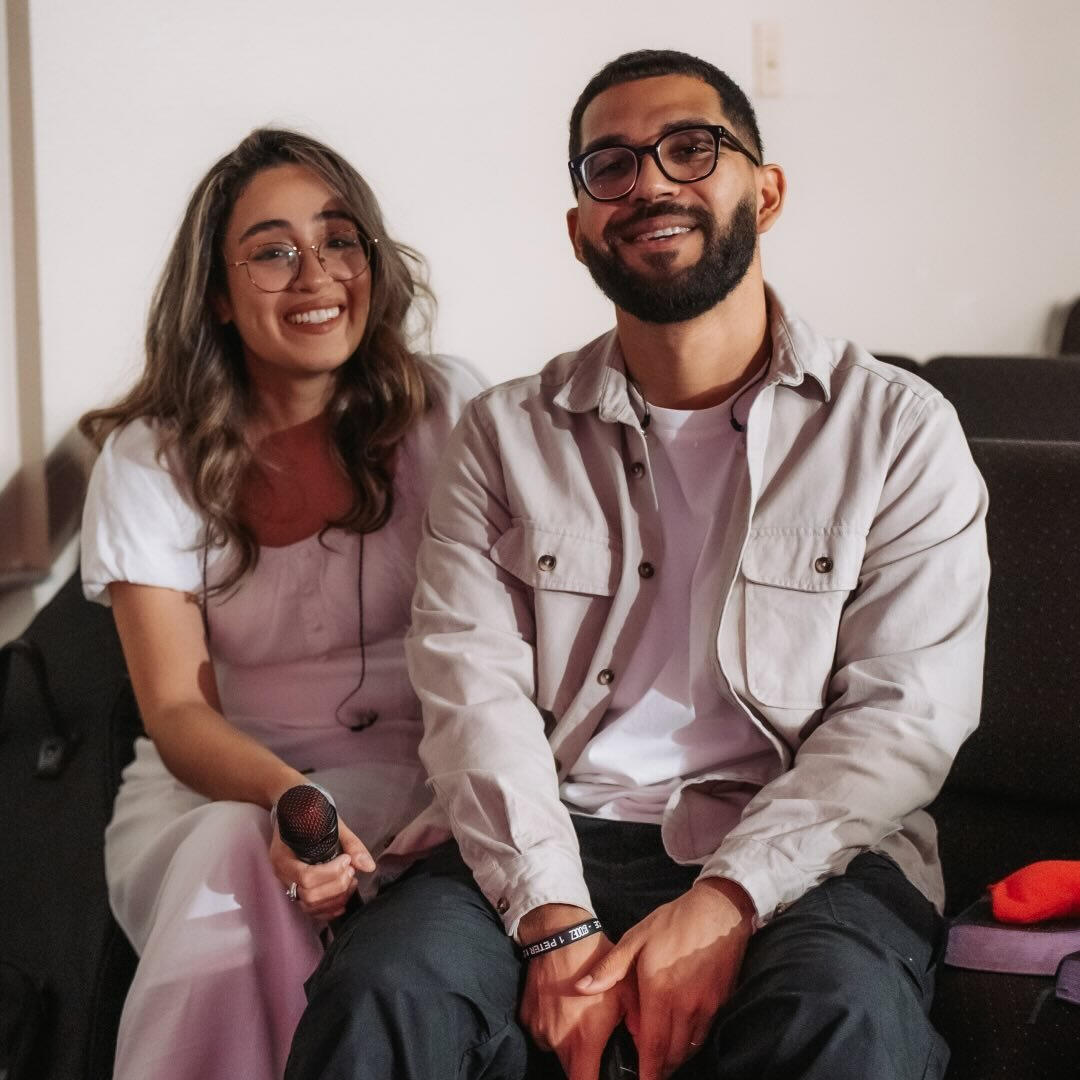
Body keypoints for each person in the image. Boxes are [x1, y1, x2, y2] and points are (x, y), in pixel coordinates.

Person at [286, 50, 989, 1080]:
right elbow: (471, 693)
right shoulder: (504, 436)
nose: (651, 181)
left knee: (842, 1019)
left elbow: (903, 718)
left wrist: (726, 901)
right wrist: (554, 921)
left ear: (766, 191)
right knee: (383, 993)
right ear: (580, 229)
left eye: (691, 149)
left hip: (809, 850)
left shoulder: (899, 433)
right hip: (543, 835)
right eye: (610, 165)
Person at [78, 128, 484, 1080]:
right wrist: (290, 804)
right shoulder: (148, 460)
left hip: (418, 781)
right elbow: (176, 712)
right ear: (217, 295)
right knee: (233, 855)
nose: (316, 275)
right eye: (272, 252)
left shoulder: (447, 410)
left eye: (340, 240)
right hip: (213, 791)